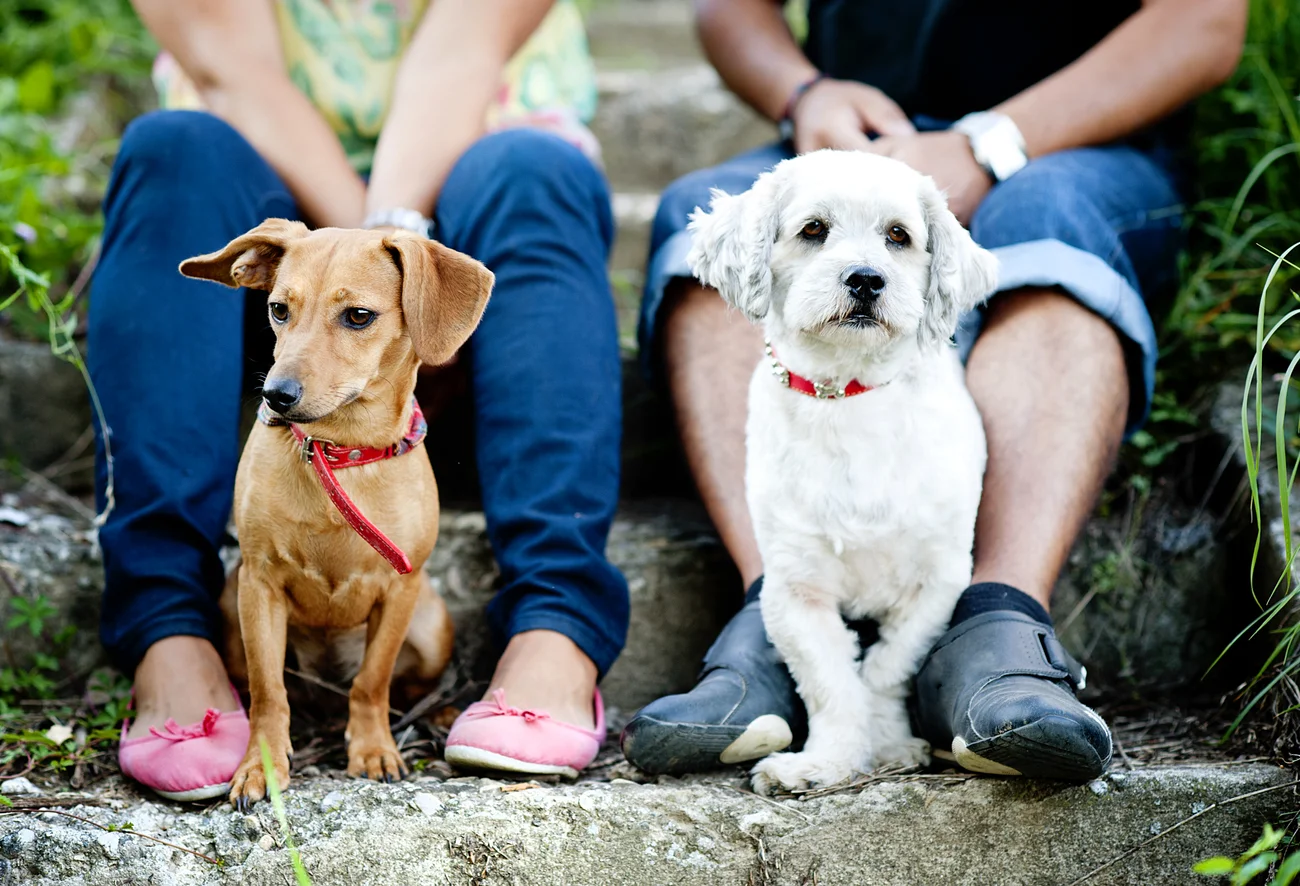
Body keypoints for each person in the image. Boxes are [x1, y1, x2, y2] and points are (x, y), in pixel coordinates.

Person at [622, 0, 1247, 780]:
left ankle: (998, 628)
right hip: (855, 135)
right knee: (695, 209)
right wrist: (802, 91)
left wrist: (991, 142)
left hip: (1084, 129)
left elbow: (1204, 23)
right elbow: (727, 10)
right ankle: (778, 615)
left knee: (1046, 211)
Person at [93, 0, 628, 800]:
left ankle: (555, 625)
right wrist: (346, 277)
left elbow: (464, 51)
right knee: (176, 149)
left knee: (532, 167)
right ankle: (170, 626)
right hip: (284, 251)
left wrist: (412, 301)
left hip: (465, 227)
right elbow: (229, 67)